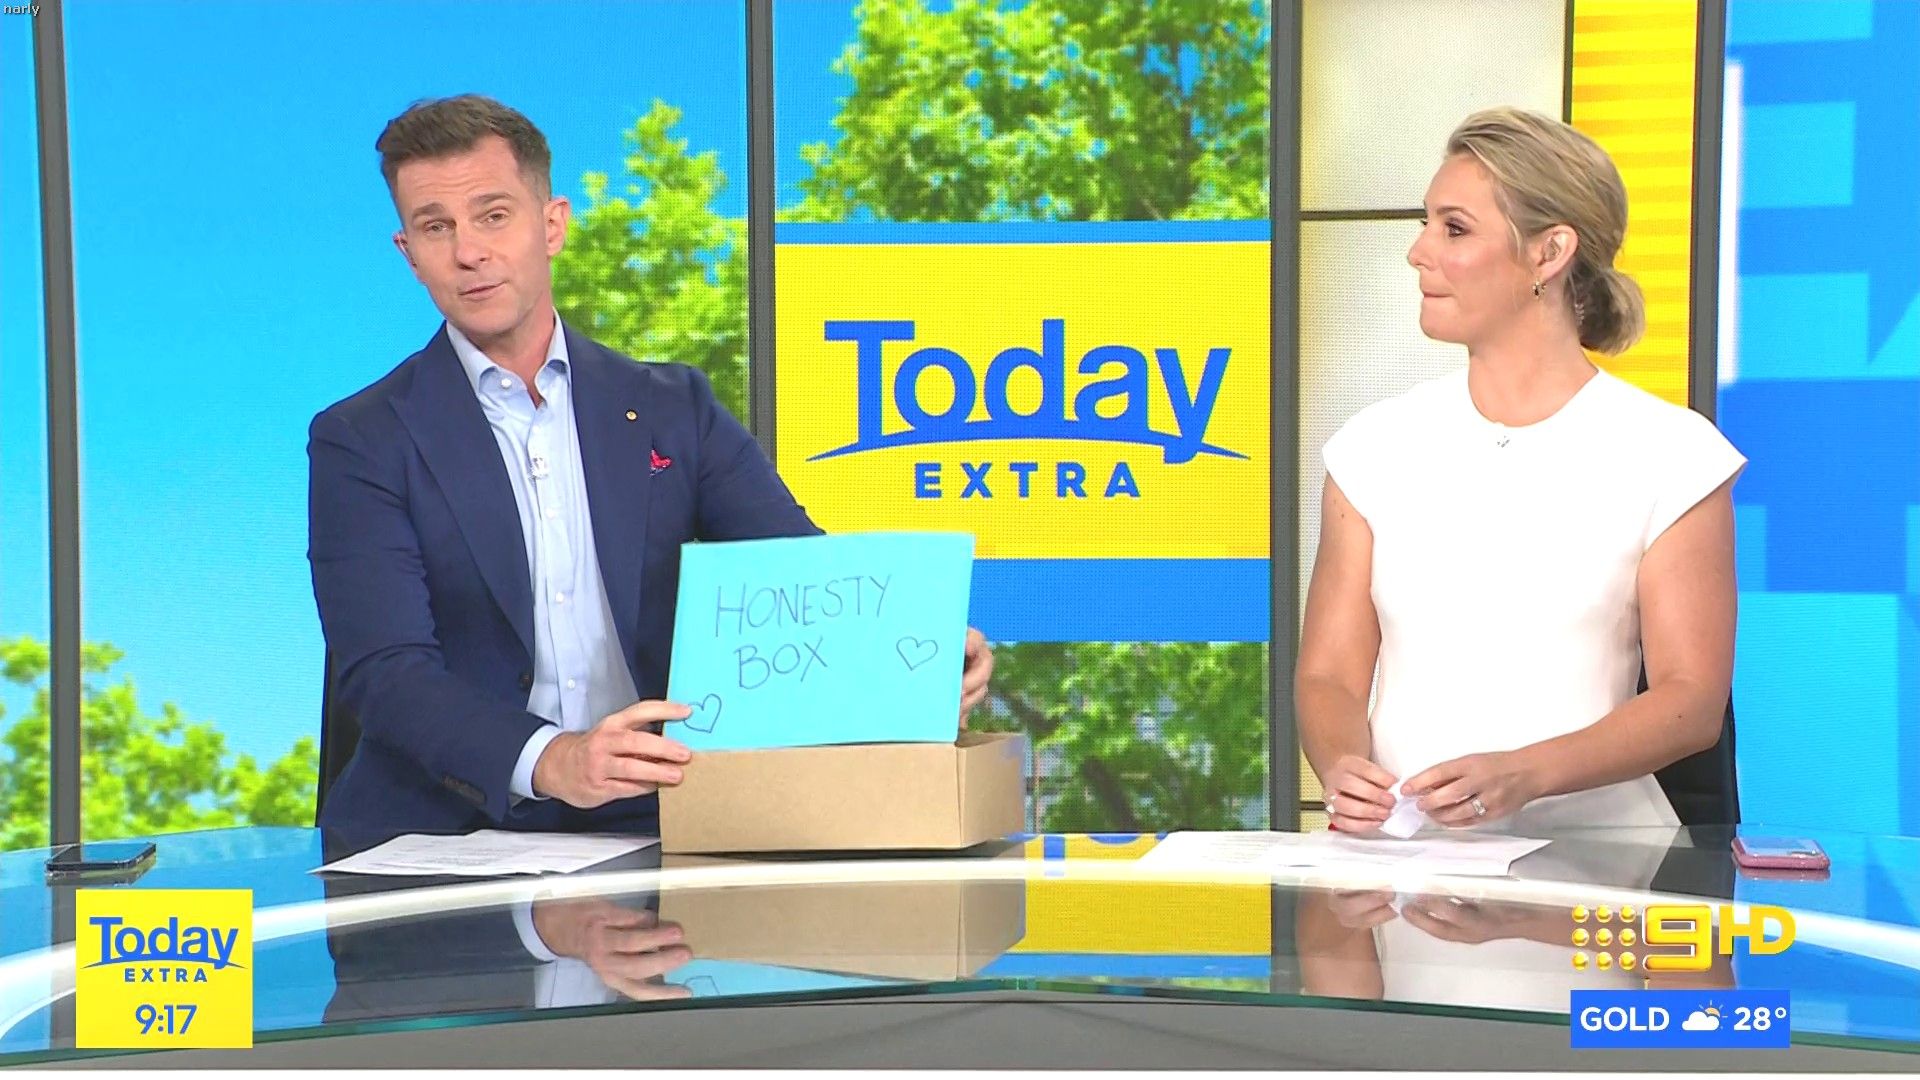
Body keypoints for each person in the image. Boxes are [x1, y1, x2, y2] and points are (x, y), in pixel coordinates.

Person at [308, 95, 994, 836]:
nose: (468, 251)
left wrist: (907, 661)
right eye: (436, 227)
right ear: (409, 252)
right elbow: (387, 672)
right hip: (443, 835)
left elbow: (799, 581)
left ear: (552, 225)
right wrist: (552, 759)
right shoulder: (361, 439)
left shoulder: (674, 408)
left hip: (660, 819)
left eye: (493, 215)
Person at [1297, 106, 1745, 836]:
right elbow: (1328, 676)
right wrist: (1343, 764)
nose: (1417, 252)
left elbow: (1691, 701)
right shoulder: (1372, 447)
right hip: (1402, 865)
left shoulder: (1673, 454)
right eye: (1424, 223)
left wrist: (1525, 774)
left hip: (1601, 874)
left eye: (1454, 229)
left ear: (1549, 253)